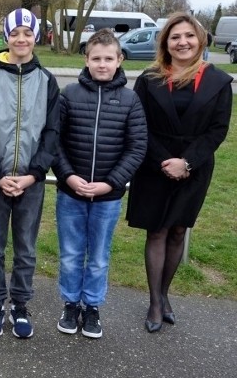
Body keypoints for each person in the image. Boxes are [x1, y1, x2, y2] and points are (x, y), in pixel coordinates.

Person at [126, 12, 233, 333]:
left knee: (177, 231)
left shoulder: (218, 81)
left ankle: (164, 292)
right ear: (166, 44)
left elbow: (217, 131)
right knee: (157, 231)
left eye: (188, 36)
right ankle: (155, 302)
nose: (182, 42)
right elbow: (139, 124)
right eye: (175, 37)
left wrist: (186, 162)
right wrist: (165, 161)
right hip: (154, 164)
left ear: (200, 40)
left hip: (195, 167)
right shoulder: (149, 79)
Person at [0, 8, 60, 339]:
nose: (21, 39)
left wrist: (34, 174)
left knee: (26, 247)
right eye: (15, 33)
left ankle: (20, 305)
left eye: (27, 33)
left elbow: (52, 132)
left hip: (30, 182)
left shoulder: (47, 81)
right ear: (6, 37)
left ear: (36, 37)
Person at [52, 29, 147, 339]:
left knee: (99, 256)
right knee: (70, 252)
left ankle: (92, 307)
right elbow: (56, 142)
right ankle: (70, 304)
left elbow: (137, 147)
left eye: (109, 58)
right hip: (71, 193)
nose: (102, 64)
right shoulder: (69, 95)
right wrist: (68, 176)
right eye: (96, 58)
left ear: (119, 60)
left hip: (107, 197)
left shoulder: (131, 99)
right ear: (86, 60)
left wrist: (111, 183)